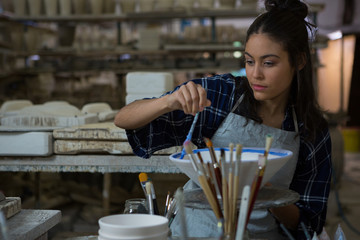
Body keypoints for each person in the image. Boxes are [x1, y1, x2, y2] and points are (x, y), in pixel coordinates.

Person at [114, 0, 332, 239]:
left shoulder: (311, 129)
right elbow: (124, 119)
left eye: (268, 63)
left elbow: (308, 222)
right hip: (195, 232)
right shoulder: (221, 95)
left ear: (299, 61)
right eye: (249, 61)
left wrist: (264, 192)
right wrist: (170, 101)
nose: (255, 74)